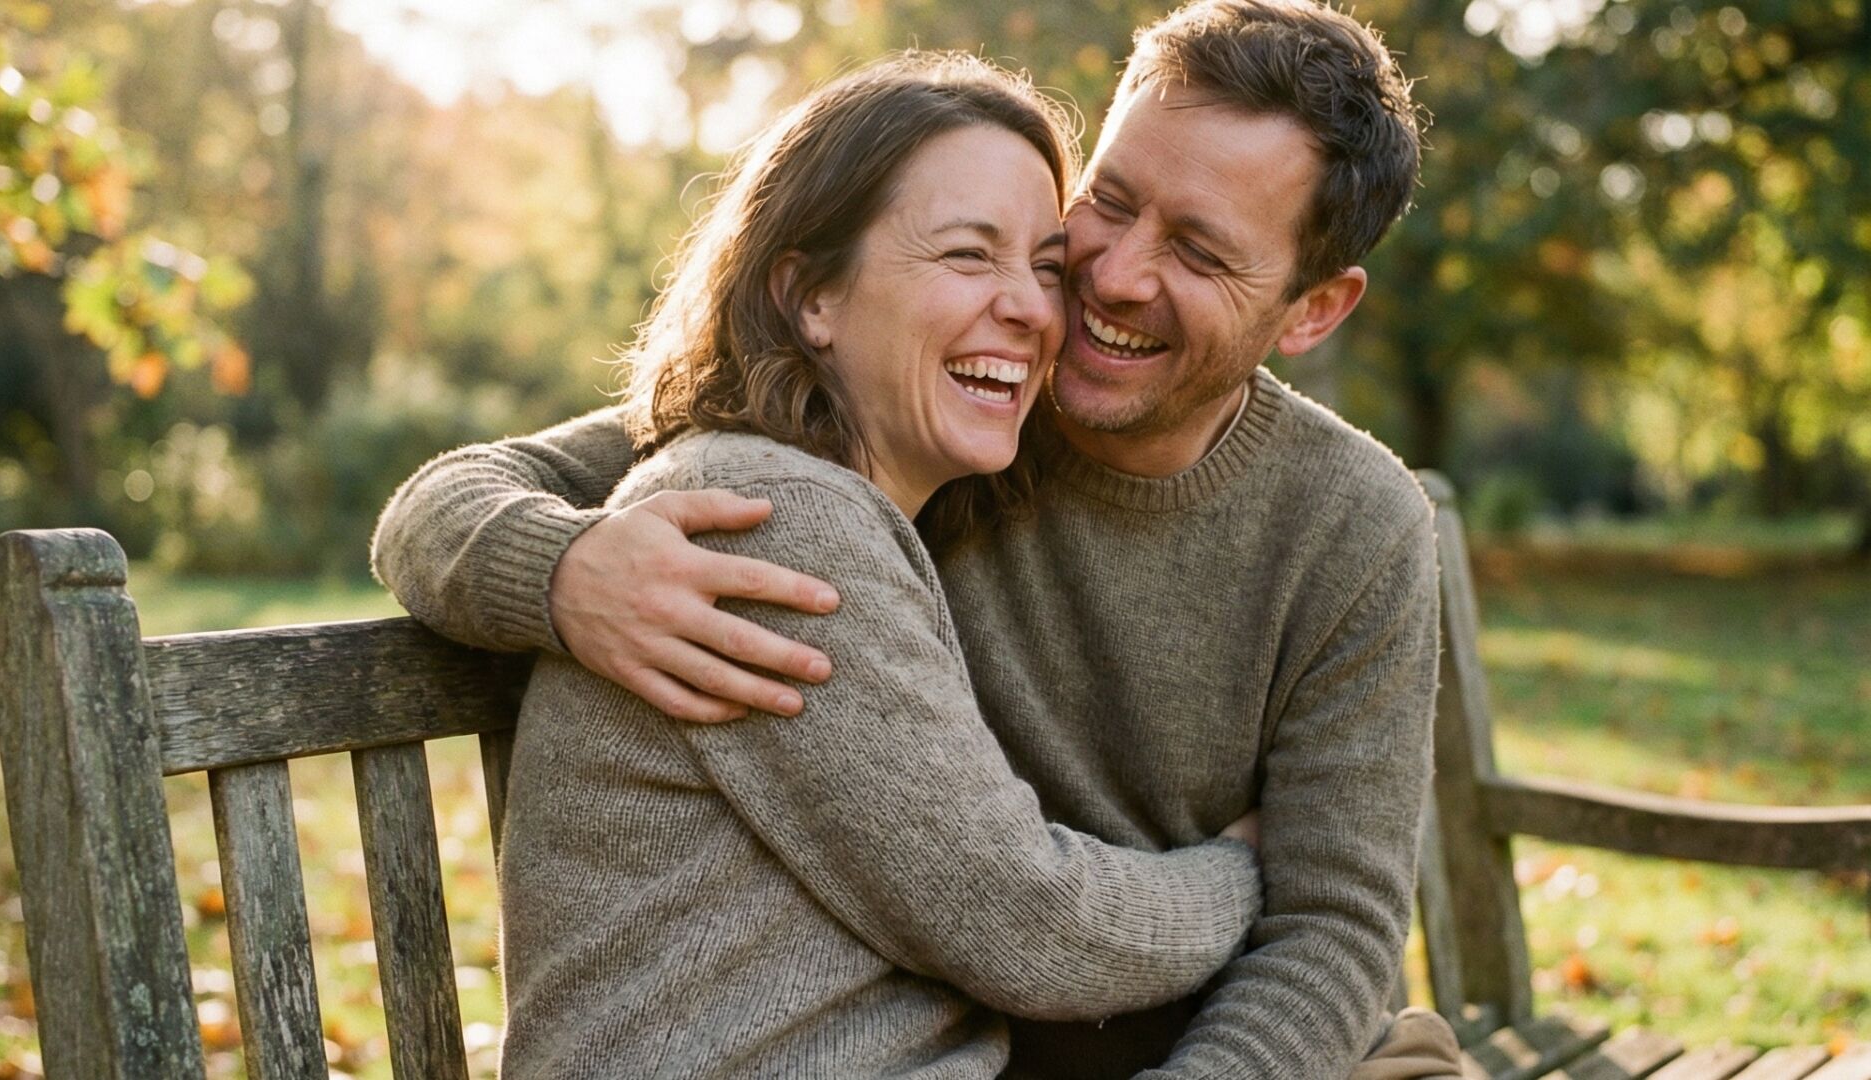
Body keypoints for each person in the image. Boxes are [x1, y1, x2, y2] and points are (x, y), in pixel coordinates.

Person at [374, 2, 1465, 1077]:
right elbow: (450, 499)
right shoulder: (920, 401)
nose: (1111, 280)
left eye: (1199, 251)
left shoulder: (1352, 525)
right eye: (1111, 205)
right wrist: (561, 572)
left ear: (1313, 309)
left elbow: (1334, 934)